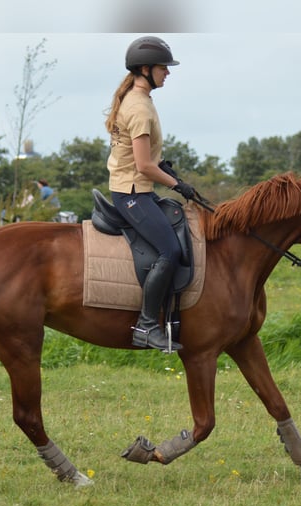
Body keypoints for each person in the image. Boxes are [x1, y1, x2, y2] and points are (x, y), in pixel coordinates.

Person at [104, 36, 197, 352]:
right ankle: (146, 326)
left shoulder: (134, 98)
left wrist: (165, 171)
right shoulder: (139, 106)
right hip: (132, 193)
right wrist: (176, 185)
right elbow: (143, 165)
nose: (167, 73)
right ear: (145, 69)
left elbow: (143, 160)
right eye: (163, 68)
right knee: (169, 251)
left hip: (133, 187)